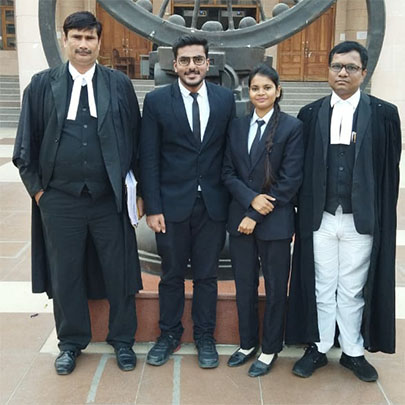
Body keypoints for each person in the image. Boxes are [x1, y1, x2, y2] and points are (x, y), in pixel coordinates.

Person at [12, 11, 143, 375]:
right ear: (65, 39)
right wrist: (40, 193)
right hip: (59, 201)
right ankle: (70, 343)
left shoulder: (118, 85)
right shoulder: (42, 85)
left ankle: (122, 340)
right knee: (65, 273)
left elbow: (137, 141)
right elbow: (25, 146)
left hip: (108, 199)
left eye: (90, 38)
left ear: (99, 42)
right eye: (77, 37)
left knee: (118, 272)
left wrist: (139, 191)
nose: (83, 44)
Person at [285, 41, 401, 382]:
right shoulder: (310, 113)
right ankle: (319, 347)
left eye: (351, 67)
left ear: (363, 72)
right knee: (321, 284)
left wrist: (382, 216)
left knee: (352, 287)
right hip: (319, 217)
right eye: (337, 66)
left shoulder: (383, 114)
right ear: (328, 71)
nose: (342, 73)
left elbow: (389, 171)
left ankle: (352, 351)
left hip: (359, 218)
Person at [140, 34, 235, 368]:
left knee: (207, 276)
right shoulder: (156, 101)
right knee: (172, 275)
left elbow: (230, 153)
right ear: (174, 65)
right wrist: (153, 207)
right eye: (185, 60)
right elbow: (148, 157)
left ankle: (205, 336)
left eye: (198, 60)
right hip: (171, 206)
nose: (191, 66)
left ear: (208, 64)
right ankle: (169, 334)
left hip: (213, 206)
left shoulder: (225, 100)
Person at [222, 64, 304, 377]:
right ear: (249, 91)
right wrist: (249, 201)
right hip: (240, 219)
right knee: (244, 285)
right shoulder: (237, 126)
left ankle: (269, 348)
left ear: (278, 91)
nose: (261, 93)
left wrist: (255, 213)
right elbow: (227, 172)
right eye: (255, 88)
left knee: (274, 287)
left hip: (275, 221)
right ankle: (247, 343)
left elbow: (290, 179)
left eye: (267, 87)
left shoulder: (292, 128)